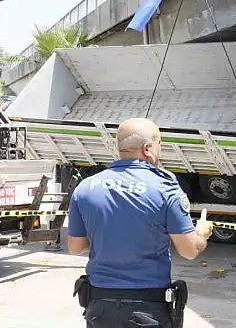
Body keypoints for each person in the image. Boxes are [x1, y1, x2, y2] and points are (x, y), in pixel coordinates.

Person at [67, 117, 213, 327]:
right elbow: (189, 250)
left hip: (99, 308)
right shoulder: (165, 190)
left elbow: (76, 247)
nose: (160, 150)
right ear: (147, 148)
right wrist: (201, 233)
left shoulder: (85, 188)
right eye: (159, 144)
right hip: (146, 309)